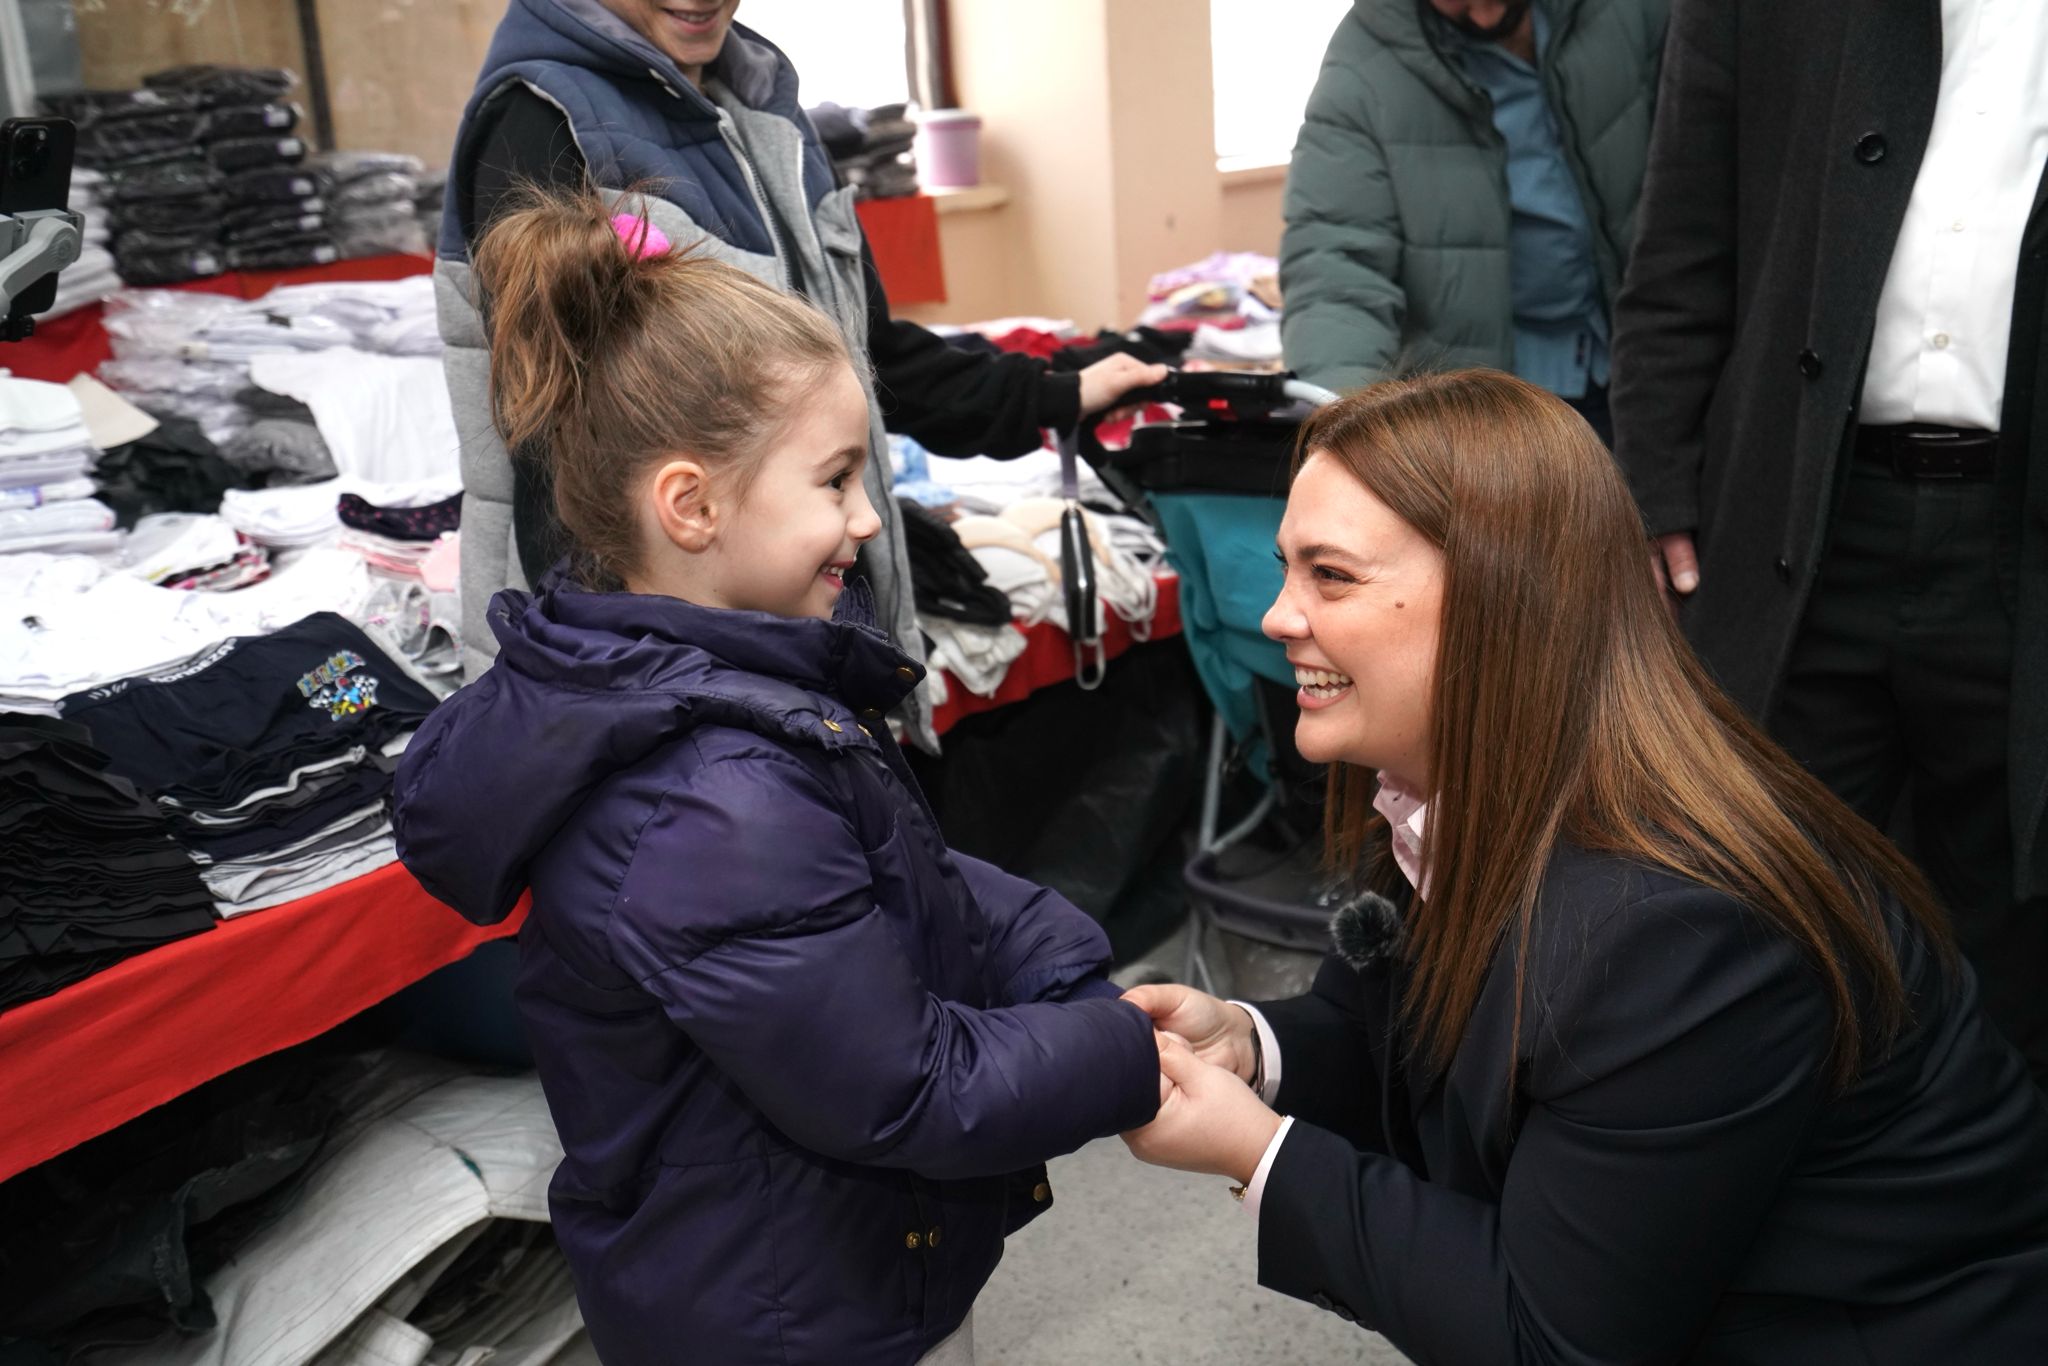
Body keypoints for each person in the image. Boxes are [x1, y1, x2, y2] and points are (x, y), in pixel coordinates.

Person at [1118, 371, 2048, 1363]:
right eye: (1285, 570)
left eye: (1329, 576)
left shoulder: (1673, 925)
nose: (1274, 618)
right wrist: (1247, 1048)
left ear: (1500, 596)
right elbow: (1383, 1026)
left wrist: (1257, 1151)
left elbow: (1547, 1341)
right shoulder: (1448, 791)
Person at [392, 188, 1161, 1366]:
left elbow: (887, 871)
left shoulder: (718, 691)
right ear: (690, 505)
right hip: (782, 1315)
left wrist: (1054, 961)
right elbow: (906, 1089)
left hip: (814, 1262)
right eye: (836, 480)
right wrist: (1130, 1053)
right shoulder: (706, 795)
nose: (864, 521)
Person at [436, 0, 1167, 748]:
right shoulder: (544, 122)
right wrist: (648, 719)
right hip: (687, 683)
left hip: (786, 645)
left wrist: (1057, 394)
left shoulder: (758, 109)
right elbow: (561, 473)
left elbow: (861, 352)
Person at [1608, 0, 2048, 1082]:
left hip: (2014, 535)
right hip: (1801, 515)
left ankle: (1995, 1215)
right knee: (1765, 898)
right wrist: (1657, 478)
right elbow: (1677, 247)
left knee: (2012, 929)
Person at [1278, 0, 1666, 441]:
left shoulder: (1635, 14)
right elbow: (1335, 273)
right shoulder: (1362, 71)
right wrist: (1348, 437)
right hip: (1496, 416)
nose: (1481, 15)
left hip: (1655, 369)